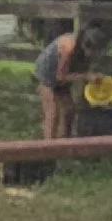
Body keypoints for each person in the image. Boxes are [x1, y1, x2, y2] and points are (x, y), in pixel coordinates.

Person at [35, 13, 90, 144]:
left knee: (69, 109)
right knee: (52, 112)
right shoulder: (68, 47)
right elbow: (60, 77)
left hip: (63, 76)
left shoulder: (81, 48)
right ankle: (47, 147)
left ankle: (65, 143)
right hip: (47, 75)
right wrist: (85, 76)